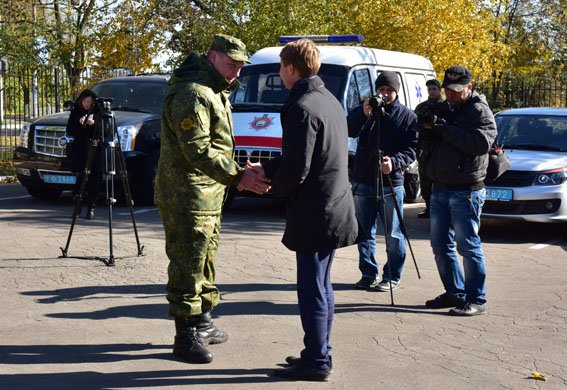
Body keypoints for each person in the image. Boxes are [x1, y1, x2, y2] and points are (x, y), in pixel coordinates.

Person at [154, 34, 271, 364]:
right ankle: (185, 336)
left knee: (205, 259)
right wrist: (238, 176)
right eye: (231, 65)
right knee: (188, 263)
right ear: (213, 57)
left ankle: (203, 322)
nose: (236, 72)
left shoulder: (214, 91)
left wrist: (234, 174)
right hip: (187, 193)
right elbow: (197, 149)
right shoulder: (192, 93)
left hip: (209, 192)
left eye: (240, 67)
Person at [254, 39, 358, 381]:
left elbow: (298, 166)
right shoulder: (327, 99)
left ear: (290, 67)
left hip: (317, 210)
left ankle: (316, 360)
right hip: (332, 205)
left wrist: (267, 186)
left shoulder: (301, 106)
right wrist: (267, 169)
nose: (280, 74)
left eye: (281, 68)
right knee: (322, 284)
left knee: (312, 287)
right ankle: (317, 352)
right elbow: (308, 156)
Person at [417, 65, 497, 316]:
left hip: (466, 190)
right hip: (440, 187)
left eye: (456, 90)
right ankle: (454, 292)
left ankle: (476, 299)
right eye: (447, 89)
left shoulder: (479, 111)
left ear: (469, 88)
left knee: (468, 246)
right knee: (440, 245)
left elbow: (481, 143)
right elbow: (425, 136)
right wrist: (425, 125)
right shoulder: (442, 108)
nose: (451, 94)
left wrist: (443, 129)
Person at [347, 71, 418, 292]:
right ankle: (368, 273)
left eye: (388, 90)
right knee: (364, 230)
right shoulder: (367, 110)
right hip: (364, 178)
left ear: (396, 92)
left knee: (394, 233)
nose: (384, 94)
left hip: (391, 181)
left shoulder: (407, 116)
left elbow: (413, 148)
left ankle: (392, 276)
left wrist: (395, 162)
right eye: (381, 90)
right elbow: (348, 129)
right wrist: (363, 113)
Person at [65, 88, 103, 220]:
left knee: (94, 179)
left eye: (89, 102)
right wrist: (80, 123)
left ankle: (91, 208)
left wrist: (94, 124)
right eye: (85, 101)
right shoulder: (76, 112)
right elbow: (70, 130)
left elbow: (105, 131)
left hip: (94, 149)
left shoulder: (99, 113)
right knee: (80, 179)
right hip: (80, 149)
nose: (87, 104)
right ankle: (77, 207)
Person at [413, 79, 444, 219]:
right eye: (429, 89)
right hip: (424, 147)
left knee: (439, 178)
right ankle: (428, 206)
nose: (432, 92)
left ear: (439, 90)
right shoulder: (421, 107)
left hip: (440, 147)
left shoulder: (444, 106)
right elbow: (414, 124)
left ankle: (439, 208)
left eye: (434, 89)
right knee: (425, 178)